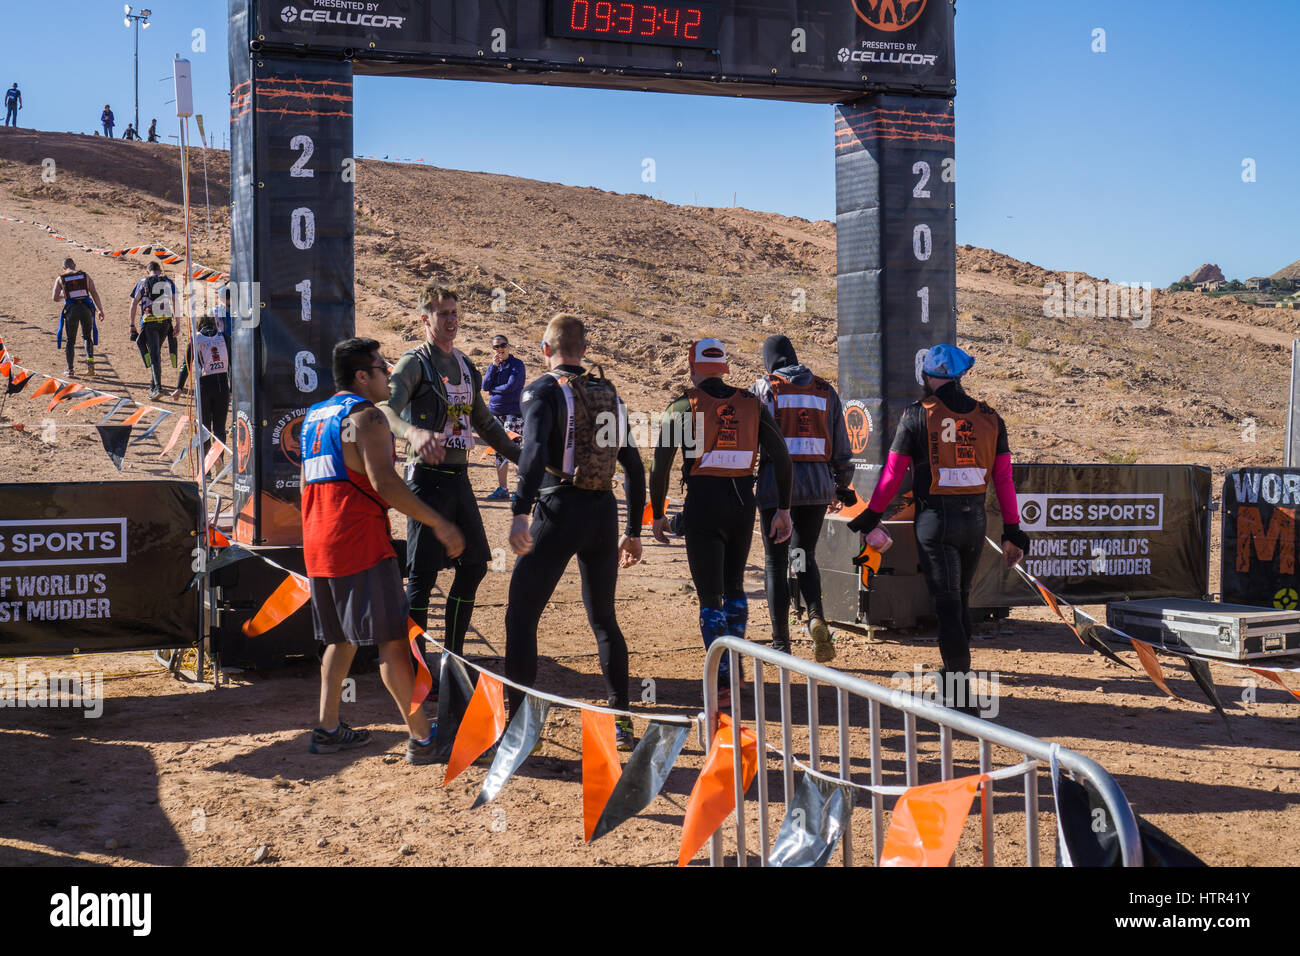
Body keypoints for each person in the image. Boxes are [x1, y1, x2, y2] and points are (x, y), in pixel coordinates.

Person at [302, 337, 466, 763]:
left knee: (342, 640)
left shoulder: (314, 417)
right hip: (359, 542)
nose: (389, 373)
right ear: (361, 376)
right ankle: (423, 739)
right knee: (393, 641)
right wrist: (439, 523)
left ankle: (327, 727)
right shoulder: (368, 417)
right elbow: (386, 484)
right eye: (381, 366)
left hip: (318, 542)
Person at [847, 344, 1030, 715]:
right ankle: (954, 676)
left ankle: (961, 700)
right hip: (973, 522)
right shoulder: (991, 417)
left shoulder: (917, 415)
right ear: (960, 374)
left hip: (935, 523)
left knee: (947, 606)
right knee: (959, 599)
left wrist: (870, 516)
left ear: (929, 377)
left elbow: (894, 473)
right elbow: (1004, 479)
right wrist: (1013, 531)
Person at [505, 314, 645, 750]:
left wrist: (519, 512)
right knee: (604, 619)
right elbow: (635, 466)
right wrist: (633, 529)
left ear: (545, 349)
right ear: (583, 350)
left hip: (557, 506)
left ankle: (519, 725)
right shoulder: (607, 391)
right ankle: (622, 719)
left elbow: (530, 455)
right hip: (602, 511)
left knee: (521, 617)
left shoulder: (542, 389)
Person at [377, 284, 522, 683]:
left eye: (455, 312)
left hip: (458, 479)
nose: (452, 320)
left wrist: (526, 459)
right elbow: (385, 409)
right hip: (424, 480)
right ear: (424, 319)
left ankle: (453, 661)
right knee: (422, 579)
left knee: (474, 565)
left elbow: (487, 424)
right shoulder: (414, 363)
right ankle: (416, 669)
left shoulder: (466, 365)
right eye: (443, 314)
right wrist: (411, 433)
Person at [649, 338, 793, 707]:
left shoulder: (683, 407)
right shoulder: (751, 404)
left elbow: (660, 465)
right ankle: (734, 673)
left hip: (702, 505)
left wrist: (659, 513)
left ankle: (722, 679)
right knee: (734, 588)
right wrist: (783, 508)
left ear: (692, 366)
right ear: (724, 366)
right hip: (743, 503)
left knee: (709, 596)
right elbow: (782, 456)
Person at [751, 334, 857, 663]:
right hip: (817, 485)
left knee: (775, 562)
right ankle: (815, 617)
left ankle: (781, 642)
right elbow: (841, 444)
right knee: (803, 554)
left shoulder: (765, 388)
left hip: (775, 486)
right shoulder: (825, 390)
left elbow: (752, 438)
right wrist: (840, 484)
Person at [171, 314, 230, 454]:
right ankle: (218, 459)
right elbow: (233, 364)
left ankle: (206, 471)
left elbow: (186, 364)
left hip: (203, 386)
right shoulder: (225, 338)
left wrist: (179, 387)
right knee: (220, 428)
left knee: (204, 428)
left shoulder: (196, 339)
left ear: (200, 325)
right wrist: (232, 387)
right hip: (222, 385)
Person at [482, 333, 525, 501]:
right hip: (496, 413)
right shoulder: (495, 366)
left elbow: (512, 386)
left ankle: (521, 490)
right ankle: (502, 488)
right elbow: (485, 385)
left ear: (508, 346)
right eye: (496, 347)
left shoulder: (517, 364)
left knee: (514, 450)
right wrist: (493, 367)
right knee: (499, 451)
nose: (500, 349)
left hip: (513, 412)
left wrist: (494, 389)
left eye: (503, 345)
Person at [129, 261, 178, 399]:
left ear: (147, 271)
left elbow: (134, 303)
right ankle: (153, 383)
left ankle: (158, 388)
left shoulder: (143, 282)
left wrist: (131, 324)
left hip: (149, 322)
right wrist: (178, 324)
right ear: (160, 270)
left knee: (154, 354)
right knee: (154, 351)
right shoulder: (168, 281)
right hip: (166, 322)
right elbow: (176, 302)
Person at [51, 259, 106, 379]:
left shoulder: (61, 278)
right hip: (86, 308)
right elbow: (94, 293)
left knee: (70, 340)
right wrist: (100, 310)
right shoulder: (85, 276)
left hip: (72, 310)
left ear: (64, 267)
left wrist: (66, 296)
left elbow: (54, 297)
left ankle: (70, 370)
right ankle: (90, 363)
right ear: (74, 265)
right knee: (87, 337)